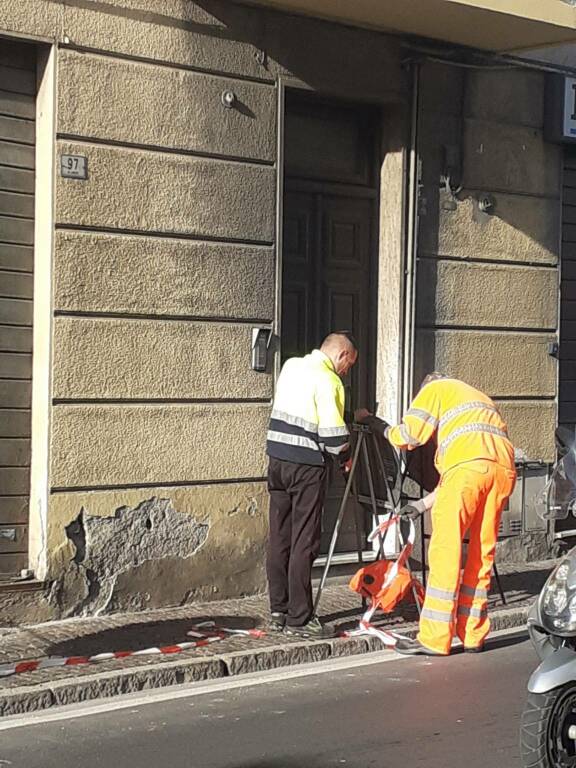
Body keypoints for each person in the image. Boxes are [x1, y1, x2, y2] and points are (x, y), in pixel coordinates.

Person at [357, 373, 516, 656]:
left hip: (467, 472)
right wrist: (419, 506)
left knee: (446, 551)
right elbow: (468, 473)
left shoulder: (436, 389)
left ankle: (434, 637)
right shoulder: (478, 398)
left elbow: (410, 436)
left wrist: (378, 426)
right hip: (503, 471)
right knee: (482, 554)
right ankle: (472, 634)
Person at [266, 332, 358, 638]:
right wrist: (346, 454)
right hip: (306, 466)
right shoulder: (328, 380)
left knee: (280, 537)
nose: (347, 372)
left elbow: (301, 410)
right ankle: (300, 618)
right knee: (304, 540)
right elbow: (333, 437)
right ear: (342, 355)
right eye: (349, 365)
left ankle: (278, 610)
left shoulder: (291, 366)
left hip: (277, 461)